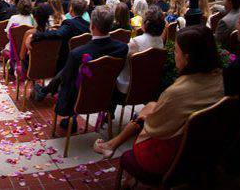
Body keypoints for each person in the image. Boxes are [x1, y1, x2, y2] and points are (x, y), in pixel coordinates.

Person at [92, 25, 224, 177]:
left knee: (146, 114)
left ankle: (111, 145)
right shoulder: (219, 78)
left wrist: (142, 118)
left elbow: (153, 128)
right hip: (201, 149)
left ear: (187, 58)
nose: (174, 54)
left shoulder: (177, 92)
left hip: (169, 159)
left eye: (176, 50)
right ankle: (111, 144)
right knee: (152, 106)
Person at [55, 6, 129, 131]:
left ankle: (69, 118)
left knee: (66, 82)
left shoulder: (77, 53)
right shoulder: (122, 48)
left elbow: (67, 80)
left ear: (92, 25)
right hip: (108, 96)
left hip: (81, 99)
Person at [29, 0, 91, 102]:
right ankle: (46, 90)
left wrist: (38, 35)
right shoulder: (88, 25)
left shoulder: (69, 23)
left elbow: (58, 34)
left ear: (71, 9)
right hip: (83, 58)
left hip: (66, 59)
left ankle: (45, 90)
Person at [116, 7, 165, 95]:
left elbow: (120, 63)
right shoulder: (160, 41)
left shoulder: (135, 42)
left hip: (129, 87)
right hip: (150, 86)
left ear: (146, 23)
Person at [19, 3, 53, 72]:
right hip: (50, 67)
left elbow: (22, 56)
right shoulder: (54, 32)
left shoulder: (30, 33)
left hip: (31, 69)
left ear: (35, 18)